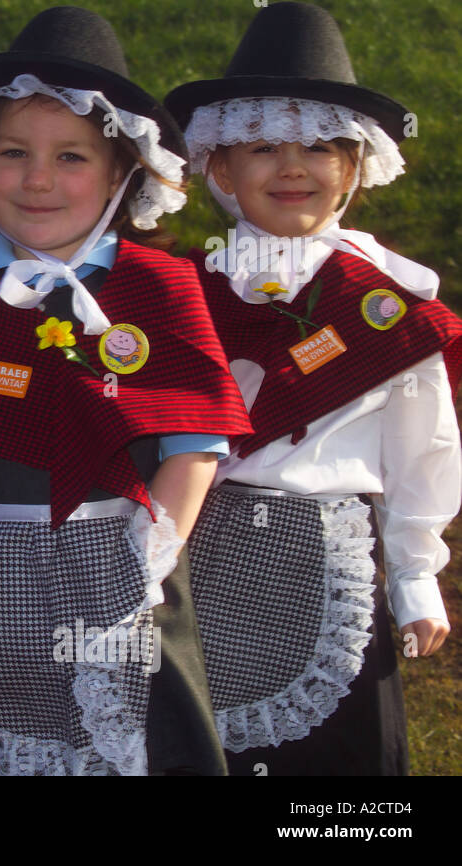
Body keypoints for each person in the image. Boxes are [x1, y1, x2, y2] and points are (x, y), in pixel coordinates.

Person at [0, 6, 251, 775]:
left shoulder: (162, 287)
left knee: (138, 746)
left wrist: (151, 556)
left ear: (120, 172)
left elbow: (195, 442)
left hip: (125, 576)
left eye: (71, 158)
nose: (38, 181)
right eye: (13, 153)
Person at [165, 0, 462, 775]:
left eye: (320, 148)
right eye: (262, 146)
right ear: (220, 169)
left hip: (335, 563)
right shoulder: (186, 295)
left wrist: (418, 576)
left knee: (336, 766)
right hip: (205, 556)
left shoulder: (387, 306)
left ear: (355, 167)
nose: (292, 167)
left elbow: (421, 453)